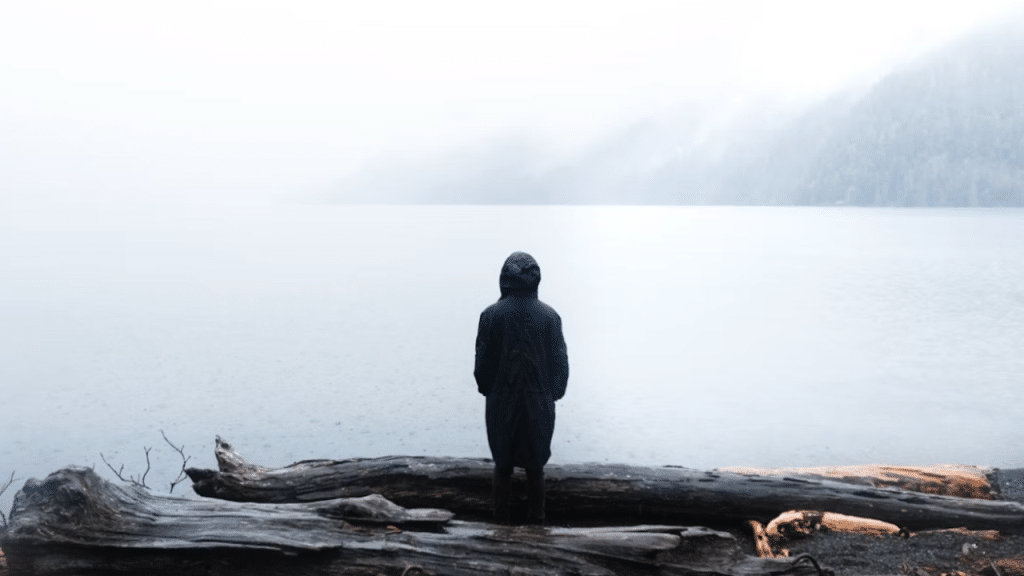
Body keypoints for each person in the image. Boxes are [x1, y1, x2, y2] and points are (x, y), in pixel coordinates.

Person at [474, 251, 569, 525]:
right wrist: (555, 392)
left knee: (502, 467)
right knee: (535, 468)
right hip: (539, 400)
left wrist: (486, 388)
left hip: (500, 400)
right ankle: (536, 522)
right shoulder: (550, 317)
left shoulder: (490, 315)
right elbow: (560, 361)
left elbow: (483, 361)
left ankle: (501, 523)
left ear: (504, 279)